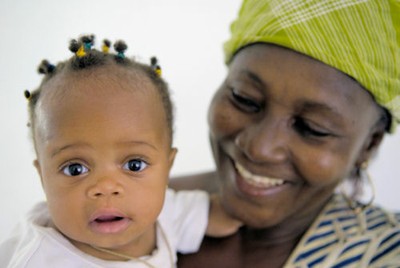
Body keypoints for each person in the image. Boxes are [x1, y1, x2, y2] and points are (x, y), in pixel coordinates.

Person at [172, 0, 400, 267]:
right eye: (244, 98)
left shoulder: (386, 253)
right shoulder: (128, 209)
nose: (259, 148)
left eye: (312, 128)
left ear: (369, 145)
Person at [0, 35, 241, 268]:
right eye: (75, 169)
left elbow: (231, 214)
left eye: (134, 165)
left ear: (167, 167)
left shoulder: (166, 214)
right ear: (42, 176)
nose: (106, 186)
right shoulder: (36, 259)